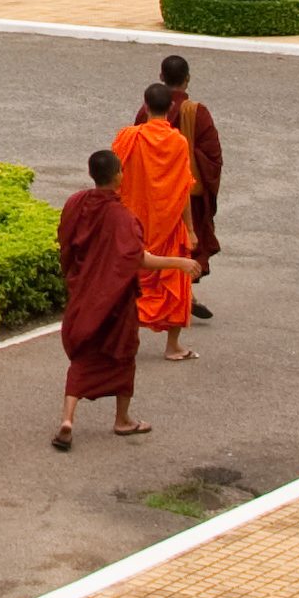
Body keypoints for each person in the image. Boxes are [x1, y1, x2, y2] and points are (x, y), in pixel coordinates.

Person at [54, 146, 198, 450]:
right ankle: (122, 420)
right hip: (113, 301)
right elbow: (138, 260)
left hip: (84, 295)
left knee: (82, 359)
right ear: (118, 175)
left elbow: (65, 242)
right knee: (122, 357)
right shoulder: (122, 217)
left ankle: (68, 418)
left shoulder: (76, 203)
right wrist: (179, 263)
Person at [111, 82, 199, 362]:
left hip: (133, 221)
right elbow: (184, 187)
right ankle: (173, 346)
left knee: (129, 282)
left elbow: (113, 178)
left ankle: (124, 342)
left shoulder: (128, 137)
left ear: (145, 106)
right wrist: (191, 229)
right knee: (174, 281)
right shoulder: (178, 142)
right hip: (170, 222)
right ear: (171, 107)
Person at [160, 53, 224, 320]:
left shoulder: (150, 108)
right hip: (188, 190)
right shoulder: (197, 112)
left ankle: (178, 293)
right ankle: (181, 295)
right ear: (187, 79)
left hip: (157, 192)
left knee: (159, 244)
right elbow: (213, 156)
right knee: (186, 242)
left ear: (162, 78)